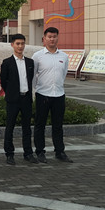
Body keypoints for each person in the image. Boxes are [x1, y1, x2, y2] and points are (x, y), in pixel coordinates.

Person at [33, 26, 72, 163]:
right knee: (40, 125)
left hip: (59, 95)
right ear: (44, 39)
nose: (52, 39)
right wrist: (37, 89)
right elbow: (33, 76)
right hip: (42, 94)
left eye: (54, 37)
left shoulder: (64, 56)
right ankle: (40, 152)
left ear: (57, 38)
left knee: (58, 125)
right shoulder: (37, 56)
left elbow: (64, 73)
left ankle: (59, 152)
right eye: (49, 37)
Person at [0, 33, 37, 165]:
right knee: (10, 127)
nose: (20, 46)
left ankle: (28, 153)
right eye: (17, 44)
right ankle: (9, 154)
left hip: (26, 99)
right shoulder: (7, 63)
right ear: (12, 45)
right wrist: (11, 93)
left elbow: (31, 79)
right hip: (13, 100)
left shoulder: (30, 62)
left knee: (27, 128)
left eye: (22, 43)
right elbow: (4, 81)